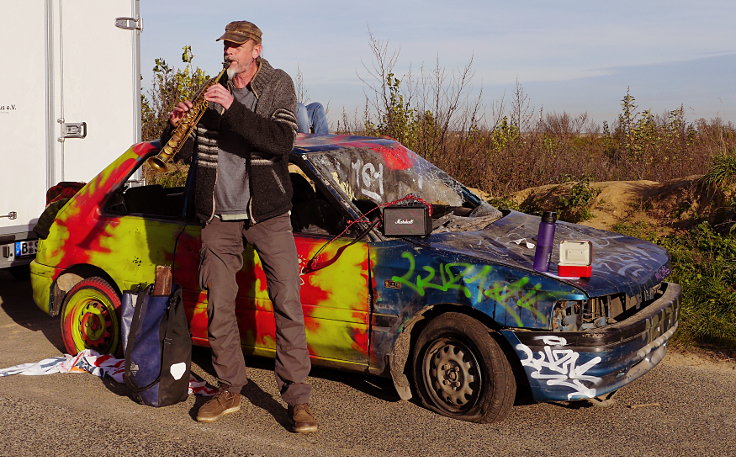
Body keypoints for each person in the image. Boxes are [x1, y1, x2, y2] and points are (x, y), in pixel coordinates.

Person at [162, 20, 317, 433]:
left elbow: (280, 140)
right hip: (218, 214)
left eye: (237, 45)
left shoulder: (276, 84)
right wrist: (177, 125)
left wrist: (232, 107)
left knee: (287, 301)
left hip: (268, 214)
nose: (229, 52)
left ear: (256, 49)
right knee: (220, 307)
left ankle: (297, 399)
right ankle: (230, 388)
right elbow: (185, 154)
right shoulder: (212, 89)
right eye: (226, 45)